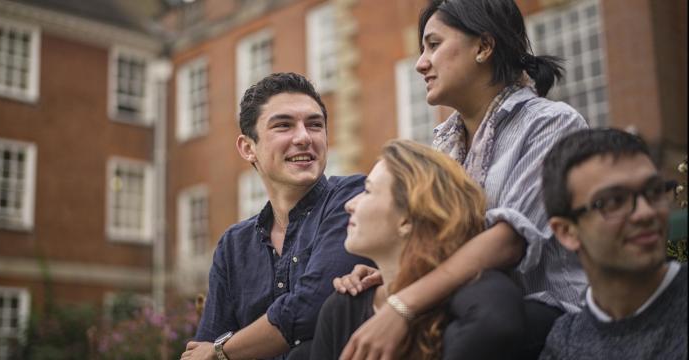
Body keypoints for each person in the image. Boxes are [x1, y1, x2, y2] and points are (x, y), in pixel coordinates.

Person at [334, 0, 589, 359]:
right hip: (465, 306)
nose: (421, 63)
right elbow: (435, 240)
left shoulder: (551, 123)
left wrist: (402, 303)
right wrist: (390, 271)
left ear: (484, 47)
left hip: (548, 317)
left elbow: (507, 242)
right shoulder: (443, 144)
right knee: (344, 314)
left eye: (434, 45)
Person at [181, 72, 374, 360]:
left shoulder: (352, 198)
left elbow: (313, 306)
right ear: (248, 148)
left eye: (315, 125)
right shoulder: (233, 246)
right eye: (283, 126)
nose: (303, 137)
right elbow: (203, 347)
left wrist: (221, 352)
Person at [310, 139, 486, 360]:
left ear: (407, 220)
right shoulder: (342, 308)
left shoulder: (469, 303)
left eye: (367, 191)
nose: (349, 204)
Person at [539, 128, 687, 359]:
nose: (645, 213)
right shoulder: (565, 344)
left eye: (654, 191)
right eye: (614, 201)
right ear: (567, 231)